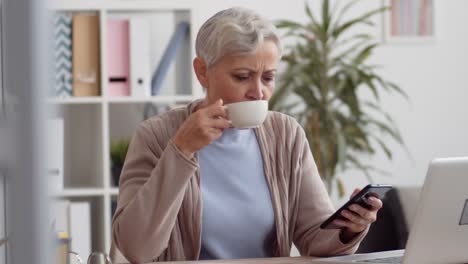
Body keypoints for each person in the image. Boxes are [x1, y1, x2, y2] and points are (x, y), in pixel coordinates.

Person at [111, 7, 383, 263]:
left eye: (268, 78)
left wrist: (348, 228)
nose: (258, 92)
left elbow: (314, 238)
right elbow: (137, 250)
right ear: (202, 71)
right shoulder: (156, 136)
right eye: (242, 76)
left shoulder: (286, 135)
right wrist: (181, 150)